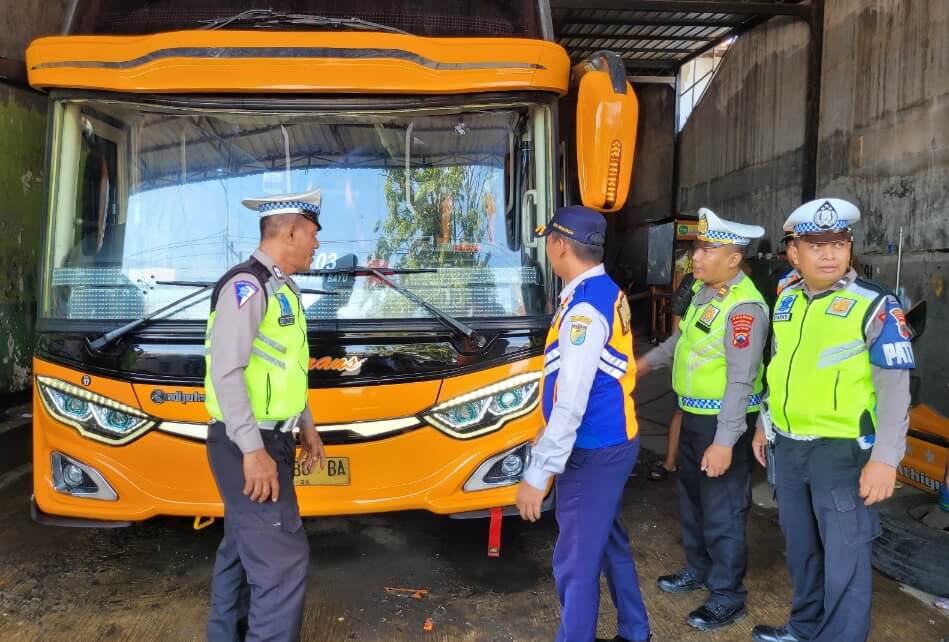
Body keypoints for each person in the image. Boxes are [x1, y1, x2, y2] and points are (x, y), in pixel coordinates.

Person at [751, 198, 915, 642]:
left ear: (849, 248)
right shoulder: (786, 300)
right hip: (789, 448)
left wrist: (886, 459)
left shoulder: (875, 304)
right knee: (802, 551)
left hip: (843, 454)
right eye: (816, 244)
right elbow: (779, 367)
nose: (829, 254)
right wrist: (765, 422)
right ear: (793, 252)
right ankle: (804, 628)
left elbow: (895, 389)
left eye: (838, 243)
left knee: (845, 560)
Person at [515, 205, 650, 642]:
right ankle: (635, 630)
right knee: (607, 541)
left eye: (547, 242)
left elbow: (572, 399)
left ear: (559, 245)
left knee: (574, 562)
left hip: (593, 449)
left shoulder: (583, 310)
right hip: (612, 439)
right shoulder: (601, 291)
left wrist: (539, 473)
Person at [204, 188, 327, 641]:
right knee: (280, 563)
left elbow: (285, 367)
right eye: (313, 234)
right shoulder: (247, 286)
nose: (316, 244)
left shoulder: (283, 289)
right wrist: (254, 452)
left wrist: (306, 425)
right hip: (246, 443)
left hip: (266, 438)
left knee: (241, 553)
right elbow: (227, 371)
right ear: (291, 231)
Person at [636, 207, 768, 631]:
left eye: (707, 249)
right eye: (697, 247)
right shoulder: (703, 293)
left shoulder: (745, 308)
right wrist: (643, 364)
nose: (696, 256)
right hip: (693, 417)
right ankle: (699, 569)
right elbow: (681, 342)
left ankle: (728, 595)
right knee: (692, 501)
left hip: (723, 424)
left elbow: (741, 380)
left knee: (723, 511)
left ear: (734, 258)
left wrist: (725, 441)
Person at [648, 272, 696, 482]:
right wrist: (677, 353)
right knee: (679, 411)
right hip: (689, 364)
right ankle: (670, 462)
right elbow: (677, 316)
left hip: (719, 375)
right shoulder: (692, 281)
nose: (697, 257)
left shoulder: (741, 290)